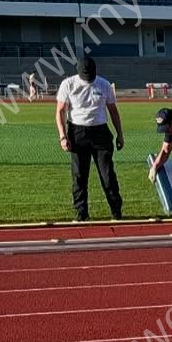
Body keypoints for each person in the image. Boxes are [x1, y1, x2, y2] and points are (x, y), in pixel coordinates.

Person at [55, 56, 124, 222]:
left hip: (100, 132)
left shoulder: (104, 84)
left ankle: (117, 212)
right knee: (79, 176)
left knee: (108, 175)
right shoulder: (68, 84)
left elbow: (113, 111)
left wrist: (120, 134)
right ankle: (81, 214)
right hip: (77, 133)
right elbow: (60, 112)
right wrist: (63, 136)